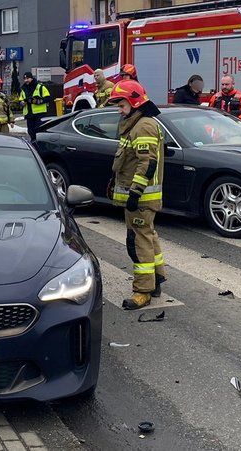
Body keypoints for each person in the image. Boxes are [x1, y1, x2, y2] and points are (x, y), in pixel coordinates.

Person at [108, 80, 167, 310]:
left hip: (142, 198)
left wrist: (135, 193)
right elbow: (128, 160)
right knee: (148, 236)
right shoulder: (135, 124)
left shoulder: (143, 126)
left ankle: (143, 290)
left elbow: (147, 163)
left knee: (139, 241)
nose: (119, 110)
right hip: (140, 196)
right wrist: (115, 181)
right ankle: (156, 278)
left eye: (121, 105)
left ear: (133, 102)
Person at [19, 72, 52, 140]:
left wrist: (38, 101)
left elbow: (48, 98)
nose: (26, 80)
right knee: (31, 131)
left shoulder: (40, 87)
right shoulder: (23, 89)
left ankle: (40, 145)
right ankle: (34, 143)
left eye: (27, 78)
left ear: (31, 78)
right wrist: (22, 103)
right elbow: (20, 100)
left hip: (39, 114)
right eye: (24, 79)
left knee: (40, 131)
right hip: (29, 115)